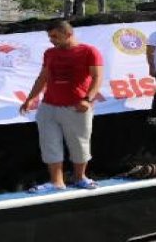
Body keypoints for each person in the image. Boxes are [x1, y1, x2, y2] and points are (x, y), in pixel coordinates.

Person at [19, 20, 103, 192]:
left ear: (68, 34)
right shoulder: (49, 53)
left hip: (76, 107)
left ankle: (80, 178)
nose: (51, 40)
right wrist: (30, 98)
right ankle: (57, 182)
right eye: (50, 36)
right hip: (48, 107)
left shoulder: (89, 51)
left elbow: (97, 77)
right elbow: (43, 78)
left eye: (55, 36)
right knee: (49, 143)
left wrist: (87, 99)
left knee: (79, 144)